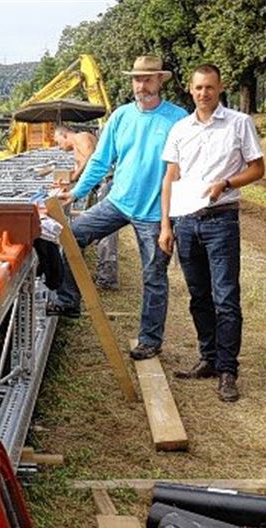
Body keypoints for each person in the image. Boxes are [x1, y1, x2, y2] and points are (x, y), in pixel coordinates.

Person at [47, 55, 188, 361]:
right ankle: (69, 299)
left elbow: (187, 168)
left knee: (154, 275)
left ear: (160, 80)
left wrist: (173, 219)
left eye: (148, 79)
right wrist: (77, 191)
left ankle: (150, 340)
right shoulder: (121, 117)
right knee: (70, 236)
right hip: (118, 201)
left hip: (154, 213)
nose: (142, 85)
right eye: (137, 79)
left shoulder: (178, 118)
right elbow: (100, 161)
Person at [159, 64, 264, 402]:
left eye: (209, 87)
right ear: (190, 90)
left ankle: (228, 370)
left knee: (226, 298)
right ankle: (208, 358)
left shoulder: (239, 123)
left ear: (220, 88)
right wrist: (166, 225)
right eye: (198, 88)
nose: (204, 93)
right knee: (199, 296)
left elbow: (257, 168)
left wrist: (227, 183)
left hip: (221, 220)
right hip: (186, 222)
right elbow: (170, 178)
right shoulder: (179, 129)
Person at [54, 124, 118, 289]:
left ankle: (108, 276)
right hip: (99, 186)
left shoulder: (81, 136)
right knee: (99, 231)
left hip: (106, 184)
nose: (59, 147)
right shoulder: (76, 147)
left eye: (58, 141)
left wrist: (75, 175)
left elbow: (92, 157)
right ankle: (104, 274)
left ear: (65, 134)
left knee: (107, 232)